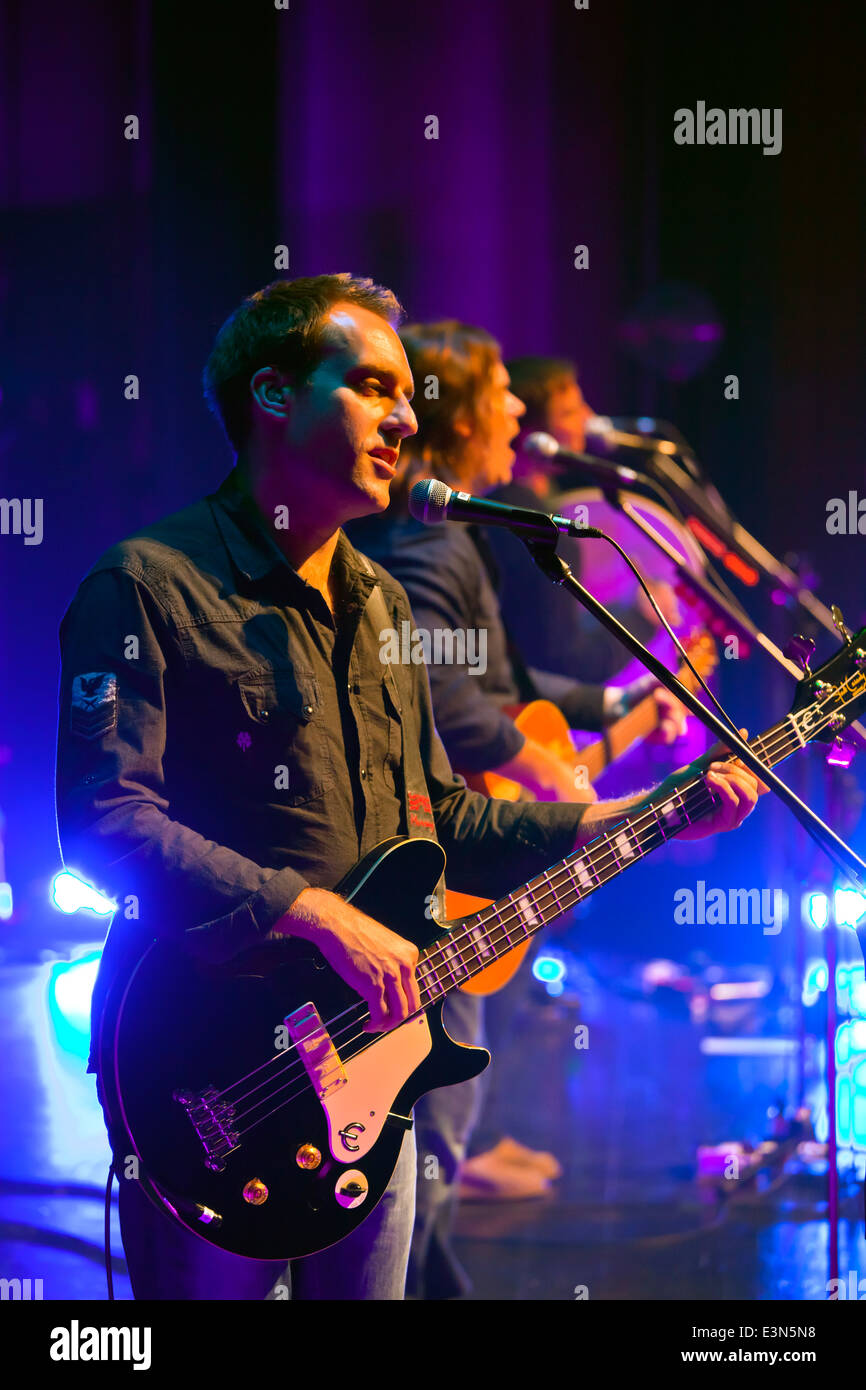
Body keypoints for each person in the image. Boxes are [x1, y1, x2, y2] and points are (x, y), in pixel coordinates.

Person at [56, 275, 765, 1301]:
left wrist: (638, 817)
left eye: (408, 396)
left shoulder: (381, 602)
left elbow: (445, 821)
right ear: (272, 395)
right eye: (372, 388)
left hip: (372, 1073)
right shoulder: (148, 584)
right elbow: (104, 823)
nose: (404, 418)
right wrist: (316, 919)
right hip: (202, 1072)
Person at [343, 322, 702, 1296]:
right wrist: (542, 771)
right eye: (500, 390)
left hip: (459, 842)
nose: (515, 408)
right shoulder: (422, 539)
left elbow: (497, 680)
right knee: (427, 1119)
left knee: (437, 1120)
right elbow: (434, 688)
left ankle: (431, 1266)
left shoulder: (453, 532)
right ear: (457, 414)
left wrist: (612, 707)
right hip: (439, 866)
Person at [485, 355, 683, 684]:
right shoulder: (527, 522)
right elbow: (561, 661)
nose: (588, 419)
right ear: (530, 433)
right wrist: (642, 617)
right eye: (570, 412)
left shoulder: (537, 498)